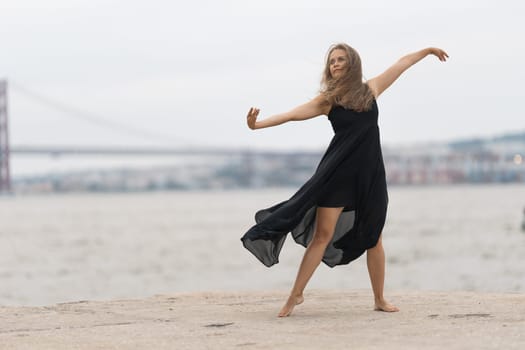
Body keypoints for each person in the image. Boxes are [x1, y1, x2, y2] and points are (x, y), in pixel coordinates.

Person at [241, 43, 448, 317]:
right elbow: (291, 115)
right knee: (322, 236)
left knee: (374, 237)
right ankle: (295, 296)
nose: (335, 64)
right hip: (338, 174)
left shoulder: (370, 89)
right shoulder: (327, 100)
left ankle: (379, 299)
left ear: (352, 64)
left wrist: (427, 51)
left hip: (370, 174)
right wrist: (257, 125)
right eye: (331, 61)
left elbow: (402, 63)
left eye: (340, 60)